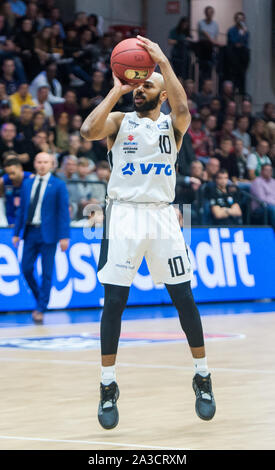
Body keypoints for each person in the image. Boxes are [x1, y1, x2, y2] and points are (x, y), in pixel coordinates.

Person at [80, 35, 216, 430]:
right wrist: (116, 88)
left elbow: (184, 104)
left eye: (147, 86)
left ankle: (203, 375)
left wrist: (163, 64)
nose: (140, 90)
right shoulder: (120, 122)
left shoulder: (174, 126)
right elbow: (89, 129)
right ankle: (108, 385)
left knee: (183, 297)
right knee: (115, 302)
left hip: (161, 217)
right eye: (138, 86)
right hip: (122, 215)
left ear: (161, 94)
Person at [12, 152, 70, 324]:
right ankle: (40, 299)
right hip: (30, 232)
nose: (43, 165)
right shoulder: (27, 183)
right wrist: (16, 232)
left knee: (46, 272)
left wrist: (64, 236)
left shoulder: (58, 185)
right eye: (39, 161)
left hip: (49, 234)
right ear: (35, 164)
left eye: (46, 162)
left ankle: (41, 308)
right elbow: (22, 210)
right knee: (26, 268)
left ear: (51, 164)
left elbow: (63, 212)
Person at [0, 156, 33, 225]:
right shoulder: (3, 181)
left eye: (13, 173)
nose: (11, 176)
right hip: (10, 219)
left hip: (28, 219)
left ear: (20, 168)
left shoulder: (31, 179)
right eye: (8, 174)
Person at [227, 12, 250, 94]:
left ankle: (242, 93)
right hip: (234, 56)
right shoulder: (231, 30)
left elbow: (245, 42)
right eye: (238, 19)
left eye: (242, 19)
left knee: (242, 77)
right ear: (235, 20)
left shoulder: (246, 31)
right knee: (234, 77)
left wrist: (242, 34)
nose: (240, 21)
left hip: (242, 57)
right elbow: (234, 41)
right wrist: (241, 34)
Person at [250, 164, 275, 229]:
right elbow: (262, 199)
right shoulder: (257, 182)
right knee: (273, 209)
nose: (269, 172)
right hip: (260, 208)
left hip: (271, 206)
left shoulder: (273, 182)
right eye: (266, 170)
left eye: (270, 170)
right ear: (261, 171)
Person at [168, 16, 192, 81]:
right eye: (184, 24)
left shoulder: (187, 32)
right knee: (177, 74)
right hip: (177, 56)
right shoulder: (174, 31)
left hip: (185, 56)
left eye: (186, 25)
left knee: (186, 75)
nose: (185, 26)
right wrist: (179, 41)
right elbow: (170, 41)